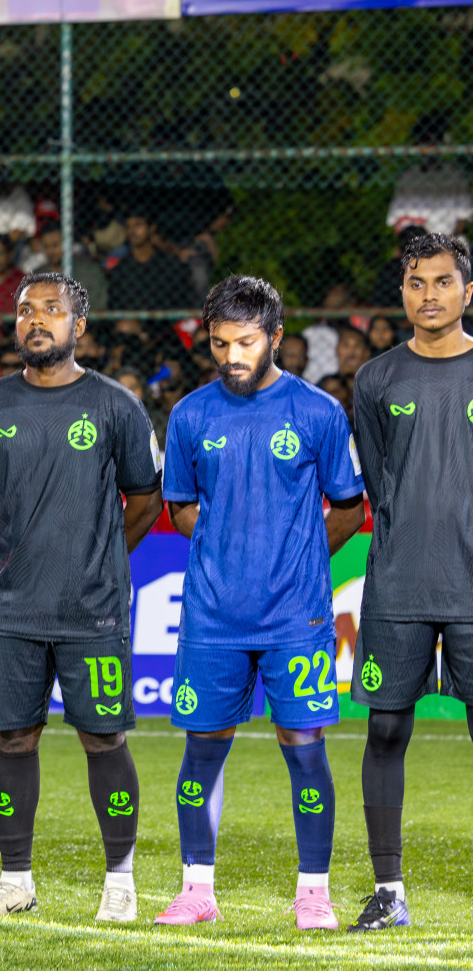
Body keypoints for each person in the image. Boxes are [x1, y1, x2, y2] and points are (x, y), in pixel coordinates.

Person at [153, 276, 365, 931]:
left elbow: (350, 508)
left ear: (275, 337)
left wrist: (297, 559)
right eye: (219, 344)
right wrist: (225, 543)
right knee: (202, 749)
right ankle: (196, 889)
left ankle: (313, 893)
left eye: (245, 342)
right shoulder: (190, 415)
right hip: (212, 617)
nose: (231, 356)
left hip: (295, 618)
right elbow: (181, 507)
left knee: (304, 746)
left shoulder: (319, 413)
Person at [0, 272, 163, 923]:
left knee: (104, 740)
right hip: (14, 608)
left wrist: (98, 555)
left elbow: (145, 499)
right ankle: (15, 880)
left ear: (81, 327)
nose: (35, 320)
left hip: (92, 608)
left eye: (52, 310)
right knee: (13, 741)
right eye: (25, 310)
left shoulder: (116, 405)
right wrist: (25, 548)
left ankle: (120, 883)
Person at [348, 233, 473, 931]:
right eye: (416, 283)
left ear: (467, 292)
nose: (429, 295)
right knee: (387, 728)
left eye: (443, 282)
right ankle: (389, 890)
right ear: (403, 294)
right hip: (398, 582)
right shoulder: (375, 380)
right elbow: (377, 480)